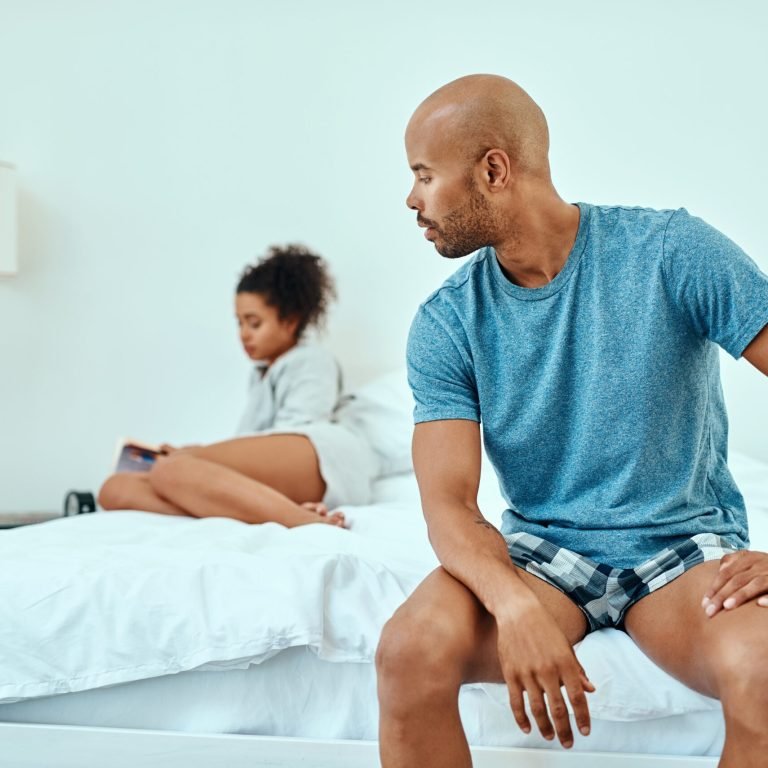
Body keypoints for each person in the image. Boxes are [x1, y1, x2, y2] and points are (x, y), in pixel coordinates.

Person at [375, 74, 768, 768]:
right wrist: (514, 606)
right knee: (408, 652)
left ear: (493, 169)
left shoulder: (671, 252)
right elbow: (448, 507)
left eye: (424, 176)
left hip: (680, 549)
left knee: (764, 677)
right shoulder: (446, 322)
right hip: (542, 561)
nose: (411, 199)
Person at [98, 244, 378, 528]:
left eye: (254, 323)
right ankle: (264, 510)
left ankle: (302, 520)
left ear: (290, 321)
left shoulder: (312, 360)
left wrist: (196, 457)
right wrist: (198, 455)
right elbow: (252, 444)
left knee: (169, 470)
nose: (244, 334)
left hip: (326, 459)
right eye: (240, 323)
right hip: (279, 473)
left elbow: (300, 427)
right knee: (116, 489)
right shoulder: (260, 375)